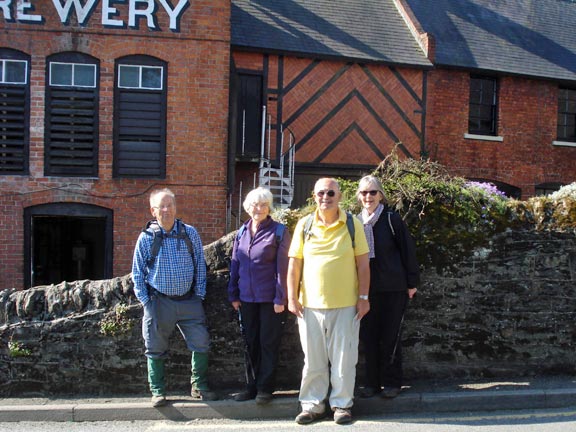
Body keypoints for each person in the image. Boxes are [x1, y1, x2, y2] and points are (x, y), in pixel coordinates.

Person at [287, 178, 370, 425]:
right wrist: (291, 297)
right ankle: (312, 405)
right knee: (313, 360)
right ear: (314, 196)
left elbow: (363, 264)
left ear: (339, 196)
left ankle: (342, 405)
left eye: (331, 192)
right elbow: (295, 263)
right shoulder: (304, 225)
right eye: (321, 192)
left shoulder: (353, 224)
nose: (326, 196)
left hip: (346, 305)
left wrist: (364, 297)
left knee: (344, 360)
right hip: (309, 305)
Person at [132, 188, 218, 407]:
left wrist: (199, 294)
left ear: (175, 207)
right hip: (159, 301)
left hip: (190, 300)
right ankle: (158, 391)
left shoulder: (190, 233)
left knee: (201, 342)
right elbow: (137, 273)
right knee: (154, 346)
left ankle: (198, 386)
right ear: (153, 211)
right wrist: (146, 302)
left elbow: (200, 265)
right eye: (161, 206)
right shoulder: (146, 238)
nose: (166, 209)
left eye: (170, 205)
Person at [356, 175, 420, 399]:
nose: (368, 197)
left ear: (380, 195)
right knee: (369, 337)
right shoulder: (355, 222)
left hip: (394, 289)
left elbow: (408, 250)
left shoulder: (392, 220)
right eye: (364, 193)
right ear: (358, 196)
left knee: (391, 337)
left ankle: (392, 383)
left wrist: (412, 283)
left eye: (373, 192)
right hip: (366, 291)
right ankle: (371, 383)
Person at [228, 187, 291, 405]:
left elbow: (283, 268)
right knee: (249, 343)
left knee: (268, 343)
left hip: (270, 300)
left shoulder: (279, 231)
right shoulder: (242, 232)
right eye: (255, 204)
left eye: (264, 204)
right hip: (246, 299)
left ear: (269, 207)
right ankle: (251, 387)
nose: (259, 208)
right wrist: (233, 294)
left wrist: (280, 298)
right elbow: (235, 265)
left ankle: (265, 388)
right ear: (248, 207)